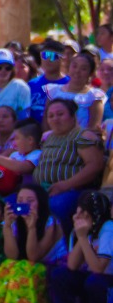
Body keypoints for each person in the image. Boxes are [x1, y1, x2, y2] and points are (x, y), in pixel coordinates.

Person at [45, 192, 113, 303]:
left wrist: (82, 237)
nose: (78, 216)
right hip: (96, 276)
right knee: (61, 275)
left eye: (83, 212)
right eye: (77, 211)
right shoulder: (90, 229)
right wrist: (82, 236)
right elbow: (72, 265)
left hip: (107, 280)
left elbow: (98, 268)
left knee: (94, 281)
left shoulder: (108, 228)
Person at [29, 96, 105, 225]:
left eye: (60, 114)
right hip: (43, 190)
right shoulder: (48, 138)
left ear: (73, 116)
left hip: (74, 191)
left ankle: (63, 242)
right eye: (51, 116)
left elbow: (95, 166)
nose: (55, 119)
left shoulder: (83, 136)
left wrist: (65, 185)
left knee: (57, 204)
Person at [48, 52, 104, 131]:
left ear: (90, 74)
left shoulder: (94, 96)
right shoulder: (53, 91)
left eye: (83, 68)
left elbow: (94, 128)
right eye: (74, 66)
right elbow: (46, 123)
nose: (77, 71)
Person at [28, 40, 70, 122]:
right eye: (44, 55)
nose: (48, 60)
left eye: (52, 56)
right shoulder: (32, 84)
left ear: (62, 59)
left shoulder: (69, 84)